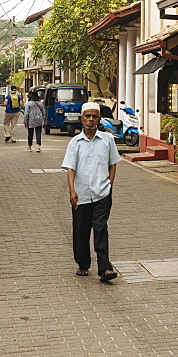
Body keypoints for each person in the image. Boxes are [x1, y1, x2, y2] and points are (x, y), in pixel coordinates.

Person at [62, 102, 119, 282]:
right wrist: (72, 191)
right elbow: (71, 168)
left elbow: (113, 163)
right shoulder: (75, 143)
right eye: (87, 116)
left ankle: (105, 268)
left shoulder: (108, 140)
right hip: (81, 194)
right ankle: (83, 264)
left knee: (101, 228)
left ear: (99, 119)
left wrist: (110, 184)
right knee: (81, 230)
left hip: (102, 193)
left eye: (94, 116)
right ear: (81, 119)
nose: (91, 120)